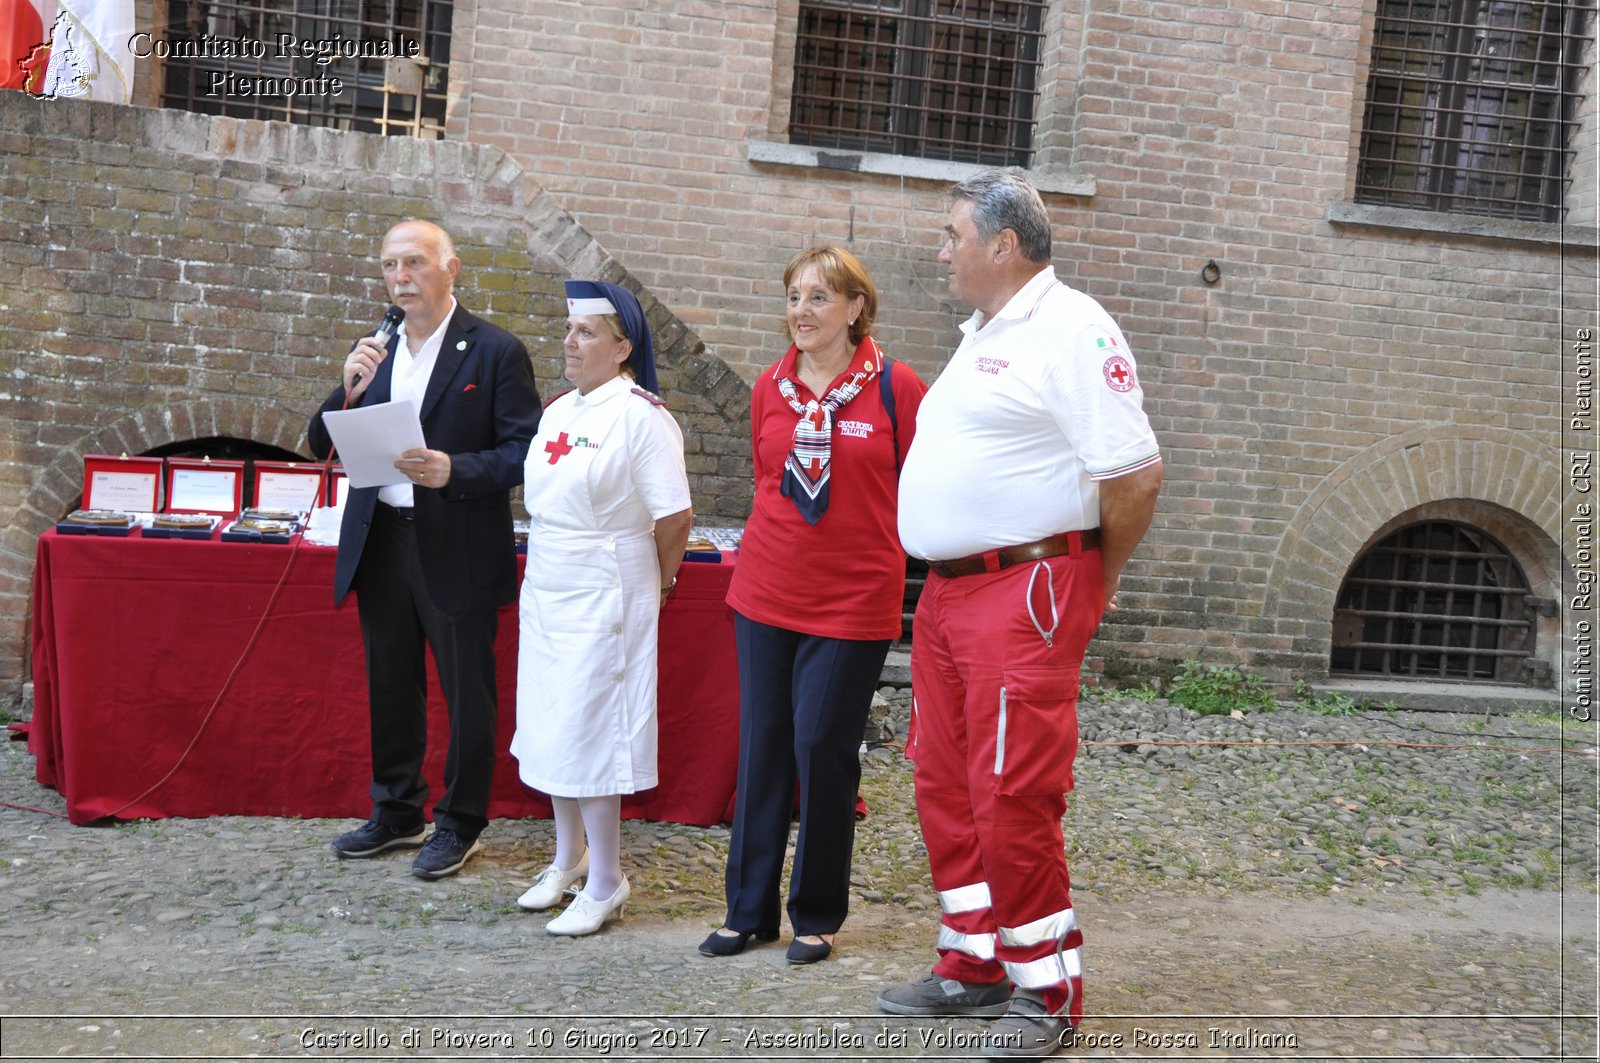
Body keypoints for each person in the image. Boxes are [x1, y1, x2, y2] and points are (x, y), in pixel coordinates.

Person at [876, 170, 1162, 1059]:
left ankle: (1049, 987)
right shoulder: (986, 332)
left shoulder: (1073, 328)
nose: (941, 248)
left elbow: (1135, 472)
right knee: (945, 781)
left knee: (1010, 793)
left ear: (1004, 245)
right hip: (952, 594)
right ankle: (975, 959)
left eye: (952, 233)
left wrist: (1093, 583)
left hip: (1023, 591)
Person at [702, 246, 926, 965]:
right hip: (766, 592)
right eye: (794, 297)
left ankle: (818, 911)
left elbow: (920, 488)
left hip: (854, 601)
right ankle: (747, 910)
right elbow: (770, 482)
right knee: (762, 747)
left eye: (819, 298)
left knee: (821, 750)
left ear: (857, 307)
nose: (801, 311)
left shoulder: (897, 387)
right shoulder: (769, 386)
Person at [307, 219, 541, 880]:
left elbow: (525, 452)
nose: (400, 278)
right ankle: (397, 810)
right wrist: (347, 381)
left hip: (458, 542)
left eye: (414, 263)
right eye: (389, 266)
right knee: (391, 681)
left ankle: (460, 820)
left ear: (451, 269)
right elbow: (318, 438)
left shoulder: (495, 351)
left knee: (468, 691)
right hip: (381, 535)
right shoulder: (375, 351)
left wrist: (454, 470)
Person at [510, 279, 693, 936]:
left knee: (592, 724)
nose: (570, 341)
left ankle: (609, 878)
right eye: (569, 330)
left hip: (606, 585)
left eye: (586, 332)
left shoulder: (641, 417)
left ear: (623, 346)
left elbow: (674, 515)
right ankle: (569, 857)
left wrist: (662, 583)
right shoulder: (560, 411)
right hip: (552, 579)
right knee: (552, 718)